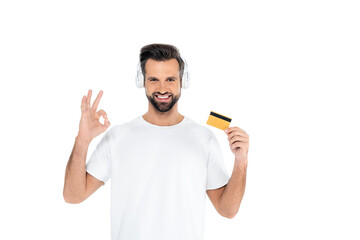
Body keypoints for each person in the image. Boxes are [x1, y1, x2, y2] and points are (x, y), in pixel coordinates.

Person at [63, 43, 249, 240]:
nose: (162, 88)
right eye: (154, 79)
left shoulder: (204, 139)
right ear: (141, 81)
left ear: (182, 81)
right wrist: (82, 140)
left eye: (170, 79)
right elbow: (73, 196)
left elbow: (227, 210)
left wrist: (241, 161)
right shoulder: (117, 137)